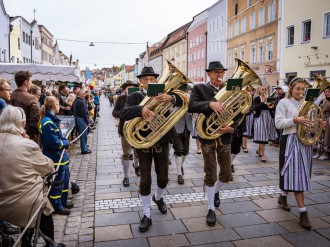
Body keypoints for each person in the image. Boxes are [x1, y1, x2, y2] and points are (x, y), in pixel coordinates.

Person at [121, 66, 183, 232]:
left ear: (156, 80)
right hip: (143, 144)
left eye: (152, 79)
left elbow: (184, 101)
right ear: (141, 81)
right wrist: (141, 109)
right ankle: (146, 214)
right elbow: (124, 113)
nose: (149, 82)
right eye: (145, 79)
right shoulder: (135, 96)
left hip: (162, 142)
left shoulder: (165, 94)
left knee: (163, 178)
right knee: (145, 180)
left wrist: (171, 98)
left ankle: (158, 197)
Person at [0, 105, 66, 247]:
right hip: (23, 204)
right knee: (44, 207)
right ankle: (50, 243)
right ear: (22, 123)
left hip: (2, 204)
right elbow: (48, 166)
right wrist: (27, 141)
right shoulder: (26, 145)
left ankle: (26, 240)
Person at [189, 61, 234, 226]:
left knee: (226, 173)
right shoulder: (200, 88)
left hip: (224, 136)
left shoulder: (229, 89)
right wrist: (209, 104)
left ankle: (215, 191)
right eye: (216, 72)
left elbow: (241, 110)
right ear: (209, 74)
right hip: (207, 137)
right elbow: (191, 106)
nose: (219, 75)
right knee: (211, 173)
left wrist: (233, 127)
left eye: (221, 72)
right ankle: (210, 209)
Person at [275, 77, 323, 230]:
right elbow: (278, 123)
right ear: (291, 89)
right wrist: (295, 120)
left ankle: (283, 196)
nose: (301, 92)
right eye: (298, 89)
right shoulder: (283, 102)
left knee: (298, 173)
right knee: (297, 176)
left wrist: (319, 123)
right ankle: (303, 213)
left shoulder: (306, 104)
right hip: (290, 140)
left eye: (303, 89)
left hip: (304, 142)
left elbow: (310, 122)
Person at [39, 96, 72, 215]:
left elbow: (60, 137)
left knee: (63, 181)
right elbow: (54, 143)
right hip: (55, 158)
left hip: (61, 158)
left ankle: (63, 201)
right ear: (54, 106)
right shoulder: (47, 122)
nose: (59, 107)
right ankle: (56, 206)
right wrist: (65, 143)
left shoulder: (52, 120)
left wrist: (64, 141)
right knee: (57, 184)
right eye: (58, 104)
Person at [112, 80, 141, 187]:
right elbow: (114, 112)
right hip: (124, 129)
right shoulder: (120, 98)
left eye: (132, 87)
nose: (130, 90)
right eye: (128, 88)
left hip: (137, 129)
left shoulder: (139, 97)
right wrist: (124, 114)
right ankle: (126, 176)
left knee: (138, 151)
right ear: (125, 89)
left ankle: (136, 166)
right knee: (126, 152)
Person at [10, 71, 40, 143]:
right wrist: (37, 137)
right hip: (27, 135)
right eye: (31, 81)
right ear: (26, 82)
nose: (31, 83)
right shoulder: (31, 98)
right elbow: (34, 120)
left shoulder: (11, 95)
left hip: (12, 133)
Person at [172, 84, 193, 184]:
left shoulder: (189, 98)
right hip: (176, 127)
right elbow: (169, 110)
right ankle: (179, 174)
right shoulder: (173, 99)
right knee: (179, 149)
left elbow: (194, 109)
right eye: (183, 91)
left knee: (185, 150)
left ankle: (180, 165)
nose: (185, 92)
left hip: (187, 126)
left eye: (186, 91)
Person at [252, 85, 275, 162]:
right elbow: (255, 108)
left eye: (265, 89)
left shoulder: (269, 98)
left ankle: (259, 150)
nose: (264, 90)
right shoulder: (256, 98)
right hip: (260, 117)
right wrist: (262, 102)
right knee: (262, 135)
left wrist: (273, 104)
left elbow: (272, 108)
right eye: (263, 89)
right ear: (259, 90)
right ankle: (263, 155)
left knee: (265, 135)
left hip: (268, 117)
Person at [72, 90, 91, 154]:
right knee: (83, 134)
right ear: (80, 94)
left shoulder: (76, 100)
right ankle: (84, 149)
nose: (84, 95)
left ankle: (84, 145)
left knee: (84, 133)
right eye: (83, 94)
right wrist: (87, 121)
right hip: (81, 119)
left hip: (78, 118)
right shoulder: (80, 102)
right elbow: (84, 113)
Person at [313, 87, 330, 160]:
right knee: (320, 137)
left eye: (328, 92)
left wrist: (324, 100)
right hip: (321, 120)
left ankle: (325, 153)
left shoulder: (326, 100)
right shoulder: (323, 100)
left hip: (328, 121)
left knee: (326, 138)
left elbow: (327, 108)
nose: (326, 93)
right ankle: (318, 152)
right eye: (325, 92)